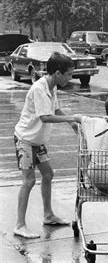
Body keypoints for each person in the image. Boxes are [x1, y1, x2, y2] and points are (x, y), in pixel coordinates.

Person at [13, 52, 78, 239]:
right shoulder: (39, 89)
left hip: (37, 141)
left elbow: (55, 109)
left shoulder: (52, 86)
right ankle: (19, 225)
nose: (70, 78)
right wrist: (72, 117)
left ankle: (48, 215)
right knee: (29, 181)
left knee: (48, 174)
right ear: (57, 73)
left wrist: (70, 122)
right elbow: (45, 117)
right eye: (68, 74)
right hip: (25, 140)